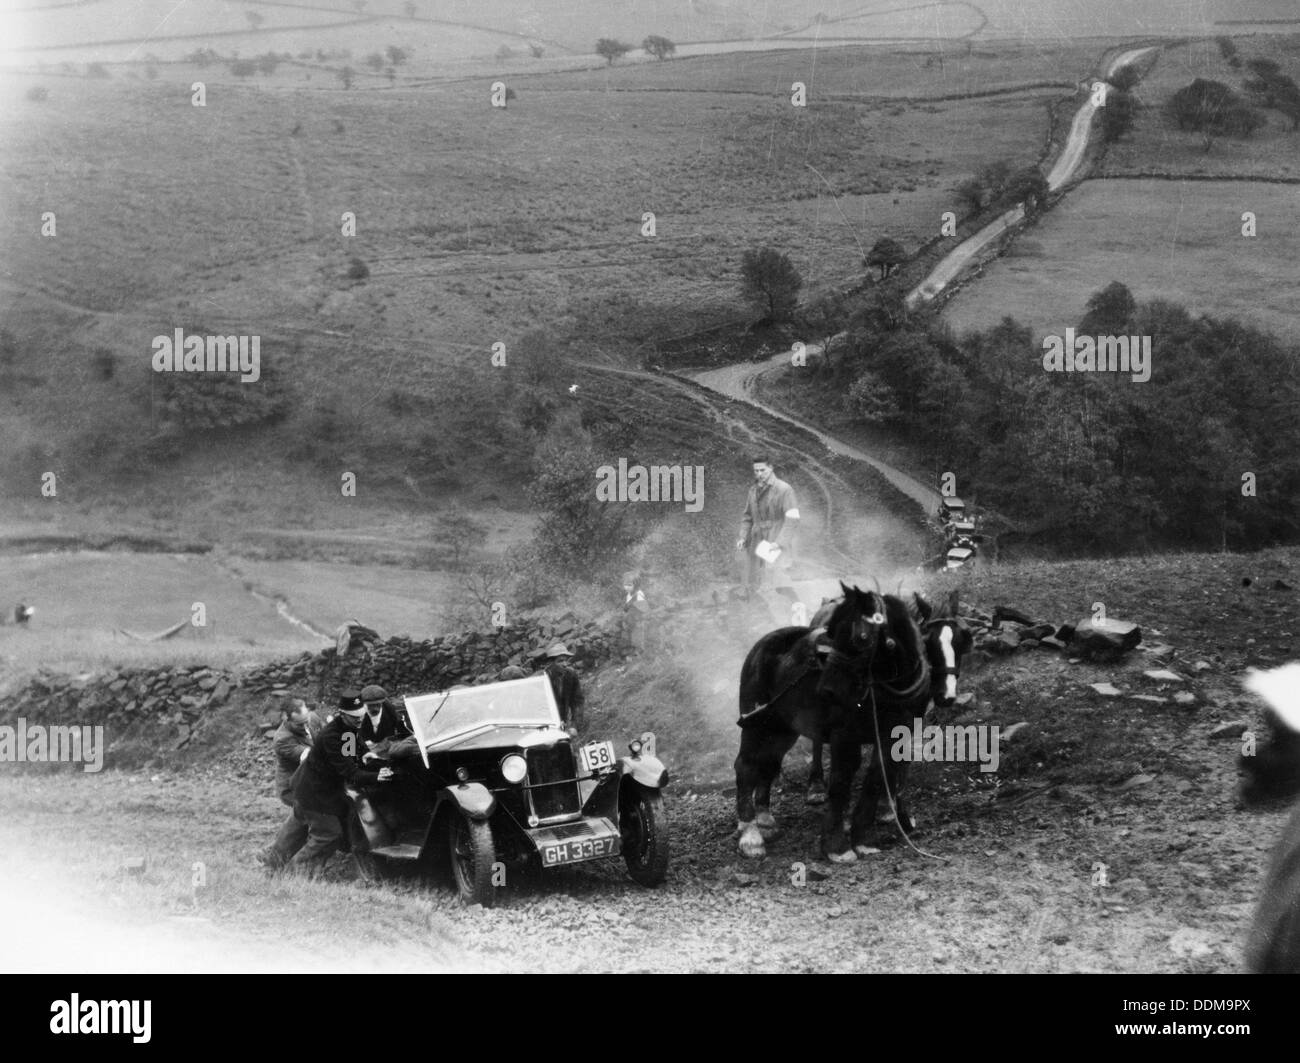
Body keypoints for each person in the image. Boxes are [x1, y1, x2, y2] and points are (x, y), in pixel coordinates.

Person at [288, 689, 393, 879]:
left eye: (361, 716)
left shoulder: (348, 727)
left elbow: (353, 751)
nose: (360, 720)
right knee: (328, 833)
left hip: (326, 789)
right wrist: (377, 776)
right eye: (355, 717)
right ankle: (296, 872)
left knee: (297, 831)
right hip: (315, 792)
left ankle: (296, 870)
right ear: (342, 714)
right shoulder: (331, 736)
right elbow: (350, 773)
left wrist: (365, 755)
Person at [737, 456, 800, 597]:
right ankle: (758, 611)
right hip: (757, 538)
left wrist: (779, 543)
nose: (759, 474)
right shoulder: (753, 490)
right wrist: (742, 537)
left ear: (771, 468)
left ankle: (790, 610)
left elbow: (793, 519)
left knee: (778, 580)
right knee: (755, 578)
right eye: (756, 471)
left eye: (762, 470)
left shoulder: (784, 489)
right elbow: (747, 517)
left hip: (775, 537)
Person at [539, 643, 584, 733]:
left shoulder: (571, 674)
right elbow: (539, 708)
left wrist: (574, 725)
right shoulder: (542, 679)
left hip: (563, 721)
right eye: (560, 661)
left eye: (566, 660)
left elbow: (577, 702)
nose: (565, 664)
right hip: (546, 724)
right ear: (550, 663)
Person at [620, 570, 649, 654]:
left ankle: (640, 652)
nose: (627, 587)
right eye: (625, 585)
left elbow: (645, 609)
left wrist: (640, 619)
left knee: (638, 636)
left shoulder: (638, 595)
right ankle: (632, 650)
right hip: (631, 619)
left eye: (630, 585)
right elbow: (627, 606)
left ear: (635, 585)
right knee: (631, 636)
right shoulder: (629, 594)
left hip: (638, 620)